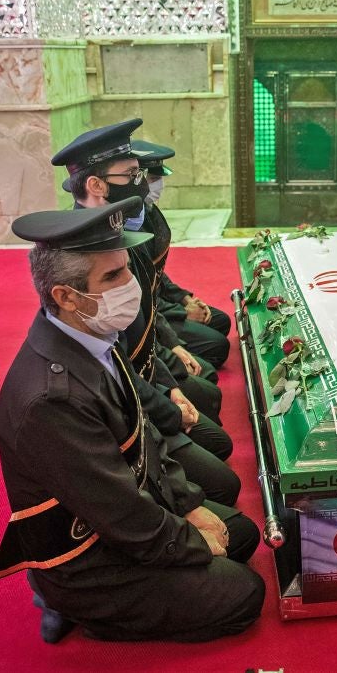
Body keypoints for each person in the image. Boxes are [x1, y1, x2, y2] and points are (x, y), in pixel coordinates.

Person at [0, 200, 264, 643]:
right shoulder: (50, 399)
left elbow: (145, 433)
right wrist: (190, 544)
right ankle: (86, 612)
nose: (131, 284)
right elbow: (119, 514)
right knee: (246, 593)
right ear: (66, 296)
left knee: (242, 535)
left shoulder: (90, 332)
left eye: (126, 270)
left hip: (124, 506)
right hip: (87, 557)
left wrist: (188, 503)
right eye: (113, 276)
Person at [52, 121, 233, 462]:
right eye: (133, 174)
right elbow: (110, 361)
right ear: (96, 184)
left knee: (210, 405)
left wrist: (171, 379)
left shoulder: (125, 232)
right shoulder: (79, 254)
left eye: (142, 174)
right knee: (218, 448)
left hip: (146, 363)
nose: (143, 183)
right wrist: (167, 399)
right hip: (128, 393)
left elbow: (148, 297)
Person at [132, 140, 232, 369]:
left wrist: (185, 298)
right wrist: (181, 312)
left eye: (160, 179)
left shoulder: (147, 210)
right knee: (218, 347)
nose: (159, 186)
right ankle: (171, 356)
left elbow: (156, 272)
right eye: (153, 179)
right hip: (148, 313)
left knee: (221, 322)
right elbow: (140, 296)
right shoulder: (129, 222)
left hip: (162, 301)